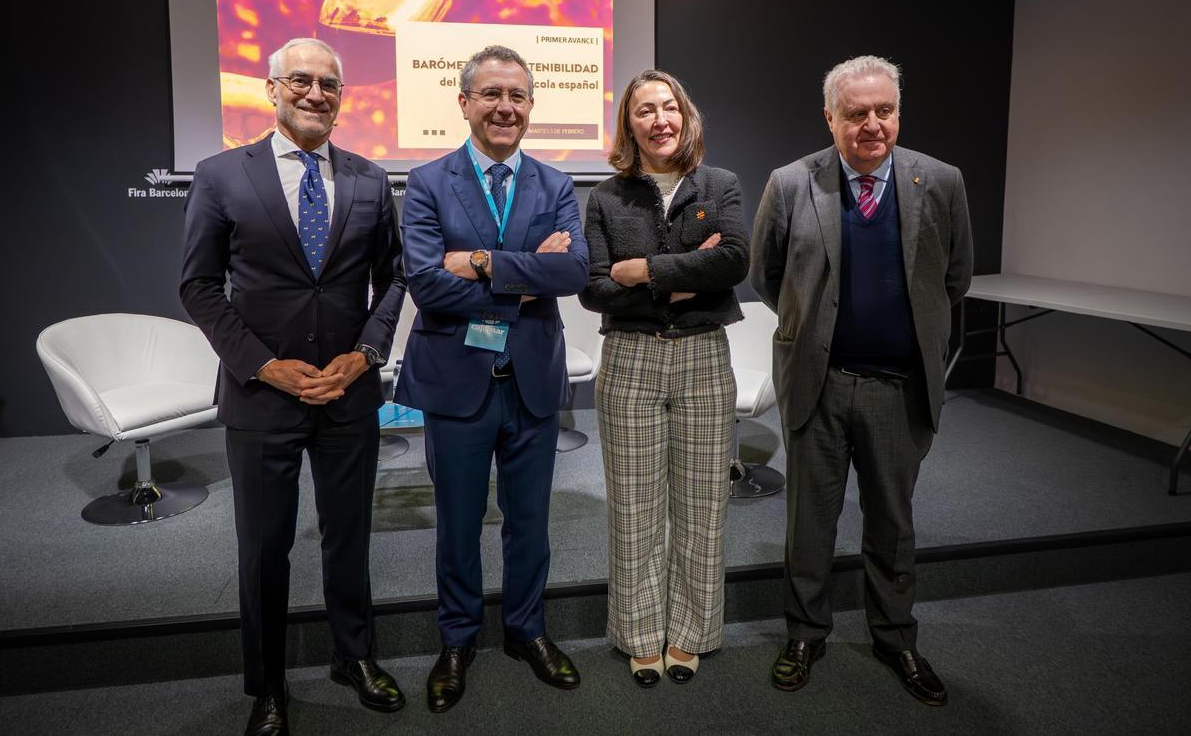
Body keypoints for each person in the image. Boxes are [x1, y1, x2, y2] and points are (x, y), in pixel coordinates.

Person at [181, 37, 407, 735]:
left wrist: (367, 354)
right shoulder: (222, 175)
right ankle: (268, 681)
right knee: (264, 545)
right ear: (271, 88)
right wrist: (262, 363)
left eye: (330, 84)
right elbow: (198, 284)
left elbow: (396, 276)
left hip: (348, 393)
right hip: (262, 397)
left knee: (349, 535)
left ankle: (353, 654)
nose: (316, 93)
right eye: (301, 81)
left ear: (344, 95)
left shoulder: (370, 179)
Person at [750, 55, 973, 706]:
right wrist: (816, 328)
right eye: (857, 113)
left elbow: (954, 277)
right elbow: (769, 277)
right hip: (817, 384)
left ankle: (895, 635)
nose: (873, 124)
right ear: (830, 117)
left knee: (892, 522)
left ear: (897, 111)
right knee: (809, 521)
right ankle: (805, 632)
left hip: (898, 387)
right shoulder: (792, 183)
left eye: (886, 110)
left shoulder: (942, 181)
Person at [394, 44, 589, 712]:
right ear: (465, 102)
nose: (505, 106)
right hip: (458, 380)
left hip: (531, 377)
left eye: (517, 96)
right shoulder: (426, 181)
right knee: (458, 520)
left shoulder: (556, 184)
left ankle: (527, 629)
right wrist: (523, 269)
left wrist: (475, 262)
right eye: (491, 94)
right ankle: (458, 639)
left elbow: (573, 273)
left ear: (531, 105)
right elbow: (425, 282)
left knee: (530, 521)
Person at [579, 69, 749, 688]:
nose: (659, 120)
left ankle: (695, 632)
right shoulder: (605, 198)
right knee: (634, 507)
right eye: (644, 110)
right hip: (629, 359)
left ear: (686, 114)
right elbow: (595, 289)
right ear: (630, 124)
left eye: (669, 107)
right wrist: (687, 273)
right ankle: (640, 634)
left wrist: (643, 271)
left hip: (705, 356)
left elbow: (733, 259)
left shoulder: (720, 184)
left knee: (704, 504)